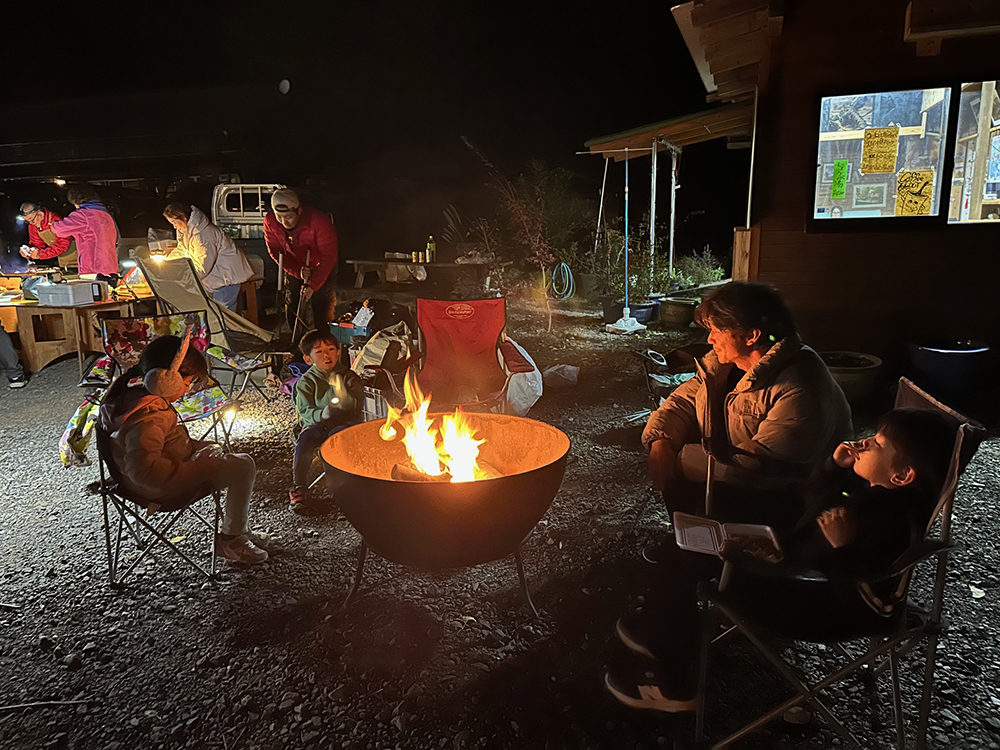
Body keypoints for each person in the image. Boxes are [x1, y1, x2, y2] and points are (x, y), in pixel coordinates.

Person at [607, 408, 959, 713]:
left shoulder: (892, 522)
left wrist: (839, 549)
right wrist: (832, 468)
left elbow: (870, 598)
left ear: (902, 475)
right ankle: (661, 626)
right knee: (693, 541)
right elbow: (812, 502)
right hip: (801, 573)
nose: (864, 442)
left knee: (692, 559)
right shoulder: (874, 492)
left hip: (816, 606)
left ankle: (671, 683)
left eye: (878, 444)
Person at [642, 281, 852, 526]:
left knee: (679, 471)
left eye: (717, 331)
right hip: (739, 477)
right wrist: (662, 441)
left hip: (788, 500)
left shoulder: (800, 389)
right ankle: (692, 531)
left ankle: (706, 538)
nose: (710, 339)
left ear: (751, 336)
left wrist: (680, 459)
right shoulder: (726, 365)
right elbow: (684, 400)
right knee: (667, 457)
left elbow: (756, 468)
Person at [99, 333, 269, 564]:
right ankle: (232, 539)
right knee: (243, 466)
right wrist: (195, 465)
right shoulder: (149, 416)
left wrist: (196, 448)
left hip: (136, 481)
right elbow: (144, 472)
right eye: (187, 383)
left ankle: (239, 529)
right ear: (166, 380)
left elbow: (158, 446)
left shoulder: (130, 397)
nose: (187, 390)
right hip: (159, 489)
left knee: (225, 455)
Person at [289, 329, 363, 512]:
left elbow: (357, 404)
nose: (326, 355)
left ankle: (341, 488)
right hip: (316, 425)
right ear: (308, 359)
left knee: (338, 439)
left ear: (338, 352)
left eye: (330, 349)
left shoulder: (348, 377)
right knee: (305, 440)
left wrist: (345, 398)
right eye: (319, 352)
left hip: (344, 424)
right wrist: (322, 414)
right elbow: (305, 411)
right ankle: (299, 486)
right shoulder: (306, 382)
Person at [263, 189, 339, 343]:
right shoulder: (270, 221)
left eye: (289, 217)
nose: (284, 222)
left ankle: (323, 341)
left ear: (298, 211)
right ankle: (298, 340)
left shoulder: (318, 222)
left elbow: (329, 256)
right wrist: (297, 271)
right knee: (292, 302)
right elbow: (276, 251)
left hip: (320, 264)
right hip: (294, 263)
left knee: (321, 303)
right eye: (279, 217)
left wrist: (312, 285)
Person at [162, 203, 256, 311]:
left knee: (223, 315)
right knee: (216, 314)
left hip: (226, 279)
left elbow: (202, 268)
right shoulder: (188, 232)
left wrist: (181, 278)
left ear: (183, 217)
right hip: (216, 279)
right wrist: (166, 261)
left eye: (174, 222)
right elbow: (182, 250)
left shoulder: (204, 235)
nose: (174, 226)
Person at [46, 186, 120, 280]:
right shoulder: (106, 215)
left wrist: (52, 223)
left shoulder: (83, 215)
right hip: (111, 267)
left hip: (93, 270)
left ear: (76, 201)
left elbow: (60, 230)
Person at [17, 202, 74, 268]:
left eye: (31, 219)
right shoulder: (33, 226)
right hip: (63, 260)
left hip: (77, 257)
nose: (31, 223)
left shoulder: (56, 220)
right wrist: (29, 251)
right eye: (27, 221)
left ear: (40, 214)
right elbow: (37, 244)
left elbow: (62, 245)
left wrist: (41, 254)